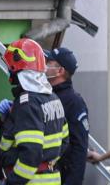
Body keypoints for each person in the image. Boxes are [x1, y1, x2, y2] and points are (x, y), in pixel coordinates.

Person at [0, 38, 68, 184]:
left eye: (9, 66)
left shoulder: (27, 104)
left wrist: (13, 182)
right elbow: (64, 141)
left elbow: (31, 154)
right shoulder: (52, 98)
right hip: (49, 178)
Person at [43, 47, 90, 184]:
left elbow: (79, 147)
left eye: (49, 62)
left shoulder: (74, 102)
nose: (44, 65)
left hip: (63, 177)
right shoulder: (45, 95)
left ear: (60, 71)